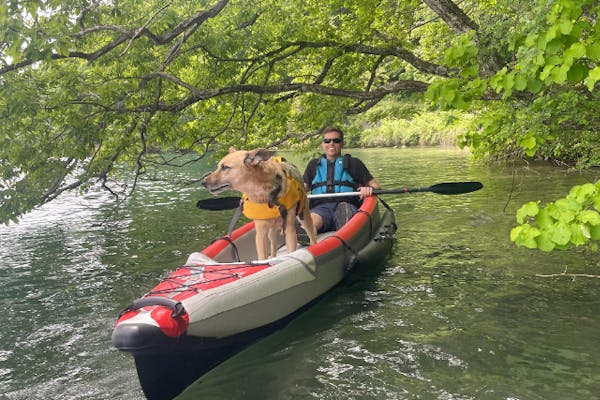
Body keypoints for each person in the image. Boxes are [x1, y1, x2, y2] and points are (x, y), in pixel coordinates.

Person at [303, 127, 380, 233]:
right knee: (310, 224)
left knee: (345, 211)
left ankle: (345, 236)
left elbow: (375, 186)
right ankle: (305, 234)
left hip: (347, 204)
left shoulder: (354, 163)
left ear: (342, 143)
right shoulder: (313, 165)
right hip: (321, 209)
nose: (331, 143)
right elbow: (302, 189)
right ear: (322, 144)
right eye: (327, 141)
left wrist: (368, 189)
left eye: (336, 140)